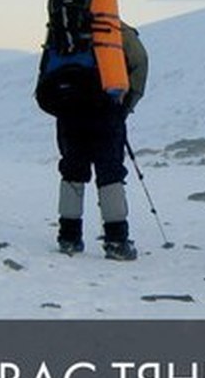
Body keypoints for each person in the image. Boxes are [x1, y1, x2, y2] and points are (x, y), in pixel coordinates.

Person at [55, 21, 148, 260]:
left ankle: (69, 237)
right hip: (106, 110)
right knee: (110, 173)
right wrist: (124, 107)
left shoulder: (63, 27)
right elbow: (139, 63)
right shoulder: (114, 27)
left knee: (72, 170)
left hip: (69, 111)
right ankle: (116, 241)